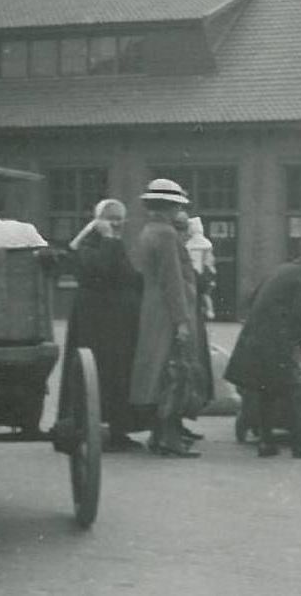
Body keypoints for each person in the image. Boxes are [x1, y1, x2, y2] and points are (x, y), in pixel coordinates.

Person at [224, 233, 301, 459]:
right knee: (293, 390)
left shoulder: (282, 270)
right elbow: (299, 316)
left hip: (257, 339)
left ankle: (266, 442)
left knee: (267, 391)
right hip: (279, 341)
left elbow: (251, 299)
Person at [129, 179, 205, 457]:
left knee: (161, 371)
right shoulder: (167, 234)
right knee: (176, 372)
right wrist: (182, 321)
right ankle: (169, 439)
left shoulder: (149, 231)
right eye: (176, 206)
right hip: (168, 311)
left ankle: (160, 435)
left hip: (153, 309)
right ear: (170, 206)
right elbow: (172, 280)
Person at [63, 199, 143, 451]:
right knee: (100, 374)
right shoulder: (86, 246)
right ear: (98, 220)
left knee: (119, 375)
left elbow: (127, 276)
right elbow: (102, 270)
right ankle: (92, 429)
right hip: (96, 324)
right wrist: (109, 238)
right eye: (111, 218)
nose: (117, 223)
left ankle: (119, 430)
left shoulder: (113, 244)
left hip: (116, 324)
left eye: (121, 218)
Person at [173, 210, 216, 443]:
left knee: (190, 370)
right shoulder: (176, 249)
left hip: (192, 313)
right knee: (181, 370)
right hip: (183, 316)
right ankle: (172, 424)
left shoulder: (184, 249)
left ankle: (179, 422)